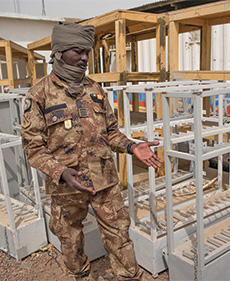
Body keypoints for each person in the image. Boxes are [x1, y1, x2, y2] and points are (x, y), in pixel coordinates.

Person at [21, 22, 162, 281]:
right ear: (60, 52)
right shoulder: (39, 94)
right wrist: (61, 172)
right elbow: (33, 148)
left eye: (87, 51)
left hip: (104, 180)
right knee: (70, 239)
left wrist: (132, 146)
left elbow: (111, 133)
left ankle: (129, 276)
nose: (85, 57)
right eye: (78, 51)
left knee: (119, 233)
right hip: (67, 187)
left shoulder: (95, 89)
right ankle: (82, 277)